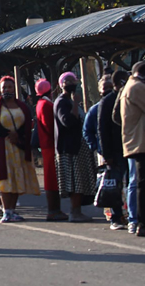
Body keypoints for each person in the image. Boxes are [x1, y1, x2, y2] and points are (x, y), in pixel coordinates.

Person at [116, 62, 145, 237]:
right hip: (141, 142)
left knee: (144, 183)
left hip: (136, 141)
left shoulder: (130, 86)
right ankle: (144, 223)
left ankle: (144, 221)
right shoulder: (138, 87)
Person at [0, 76, 41, 222]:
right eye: (4, 87)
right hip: (2, 147)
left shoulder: (23, 107)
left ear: (14, 88)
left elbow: (27, 125)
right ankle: (6, 211)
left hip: (19, 147)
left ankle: (12, 210)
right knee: (5, 178)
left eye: (9, 87)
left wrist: (19, 138)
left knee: (17, 177)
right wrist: (8, 134)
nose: (7, 90)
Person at [54, 72, 97, 222]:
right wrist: (74, 104)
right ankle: (74, 211)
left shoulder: (70, 101)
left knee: (81, 180)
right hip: (70, 149)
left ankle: (77, 210)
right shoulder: (62, 102)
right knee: (75, 181)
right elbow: (67, 122)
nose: (71, 83)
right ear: (61, 84)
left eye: (73, 80)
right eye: (67, 81)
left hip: (79, 147)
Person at [97, 70, 130, 230]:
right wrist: (106, 153)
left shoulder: (127, 98)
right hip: (114, 150)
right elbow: (101, 129)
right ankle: (116, 217)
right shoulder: (107, 101)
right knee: (114, 185)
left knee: (130, 184)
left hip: (129, 147)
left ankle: (129, 215)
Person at [35, 79, 67, 221]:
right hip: (50, 145)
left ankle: (55, 209)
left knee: (51, 178)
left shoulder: (40, 104)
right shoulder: (47, 105)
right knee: (52, 179)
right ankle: (53, 210)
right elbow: (50, 127)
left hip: (46, 145)